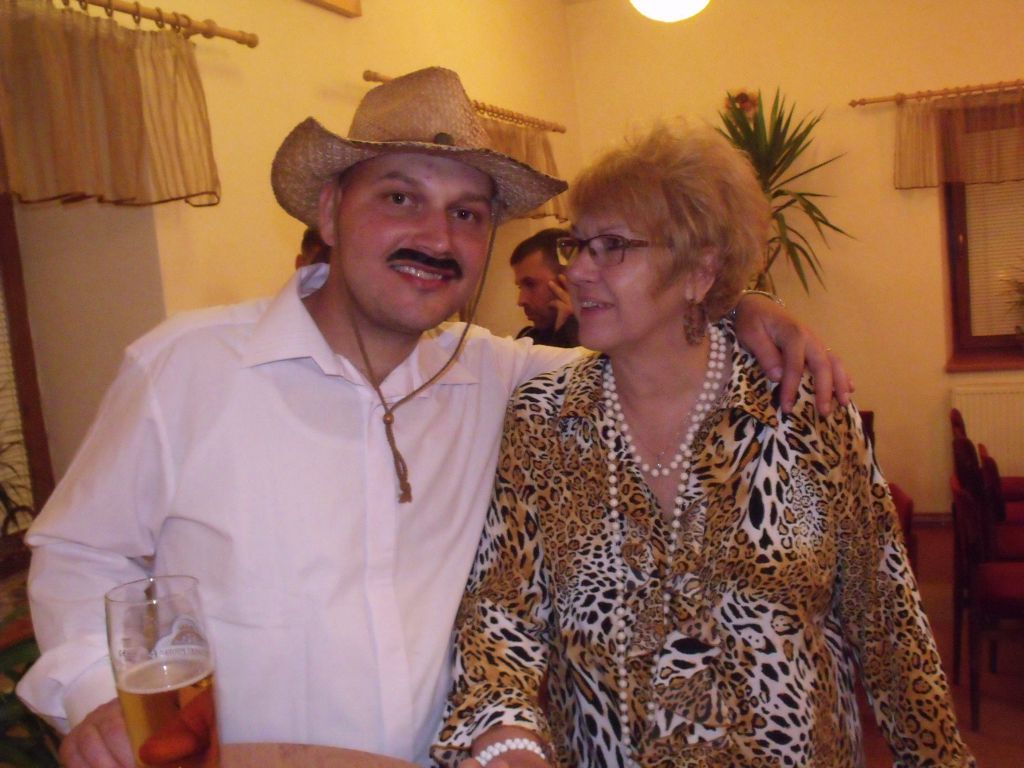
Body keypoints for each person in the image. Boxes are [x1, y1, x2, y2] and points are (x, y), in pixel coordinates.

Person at [17, 68, 848, 768]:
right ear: (330, 211)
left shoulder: (500, 379)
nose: (436, 236)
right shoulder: (186, 369)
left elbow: (652, 350)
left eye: (467, 213)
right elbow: (79, 553)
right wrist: (92, 691)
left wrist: (739, 305)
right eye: (400, 197)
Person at [434, 124, 972, 767]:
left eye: (613, 247)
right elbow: (502, 617)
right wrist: (508, 737)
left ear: (700, 270)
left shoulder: (798, 407)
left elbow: (884, 614)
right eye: (579, 245)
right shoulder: (545, 420)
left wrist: (937, 758)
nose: (576, 270)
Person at [510, 228, 578, 347]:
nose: (521, 301)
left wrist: (571, 328)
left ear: (567, 281)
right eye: (520, 287)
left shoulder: (606, 343)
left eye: (530, 284)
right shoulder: (528, 341)